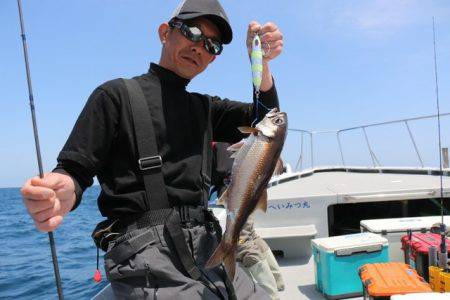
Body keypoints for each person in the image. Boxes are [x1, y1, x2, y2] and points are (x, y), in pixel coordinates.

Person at [20, 0, 284, 299]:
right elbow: (75, 171)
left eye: (213, 45)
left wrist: (259, 63)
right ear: (164, 32)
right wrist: (62, 191)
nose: (200, 47)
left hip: (206, 244)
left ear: (213, 59)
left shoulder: (205, 108)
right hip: (144, 254)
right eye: (193, 31)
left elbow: (267, 122)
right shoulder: (115, 95)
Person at [211, 142, 285, 300]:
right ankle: (277, 281)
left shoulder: (218, 135)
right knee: (250, 235)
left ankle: (271, 295)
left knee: (243, 241)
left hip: (238, 188)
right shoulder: (249, 134)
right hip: (250, 185)